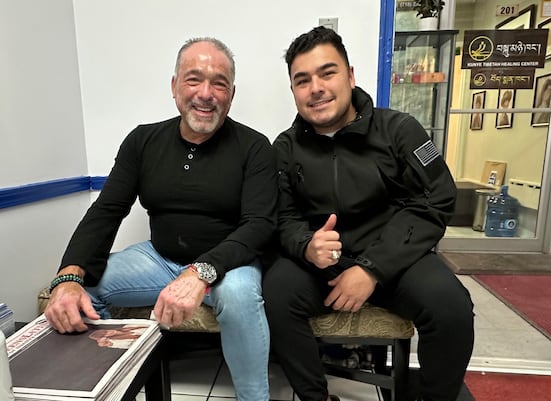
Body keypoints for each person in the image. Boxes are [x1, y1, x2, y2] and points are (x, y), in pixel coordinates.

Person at [43, 37, 277, 401]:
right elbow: (107, 210)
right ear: (174, 86)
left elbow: (259, 225)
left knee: (240, 298)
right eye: (193, 79)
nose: (206, 93)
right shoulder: (142, 141)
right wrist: (69, 274)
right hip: (160, 258)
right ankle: (118, 384)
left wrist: (201, 271)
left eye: (219, 83)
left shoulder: (255, 146)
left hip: (230, 264)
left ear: (231, 94)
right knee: (84, 285)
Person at [263, 27, 474, 401]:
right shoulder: (285, 147)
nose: (316, 88)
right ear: (293, 90)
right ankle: (315, 397)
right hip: (322, 265)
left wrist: (372, 268)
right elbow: (281, 216)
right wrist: (306, 245)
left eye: (327, 73)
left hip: (397, 260)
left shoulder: (400, 130)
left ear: (350, 75)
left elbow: (436, 199)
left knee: (451, 307)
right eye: (302, 80)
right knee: (276, 292)